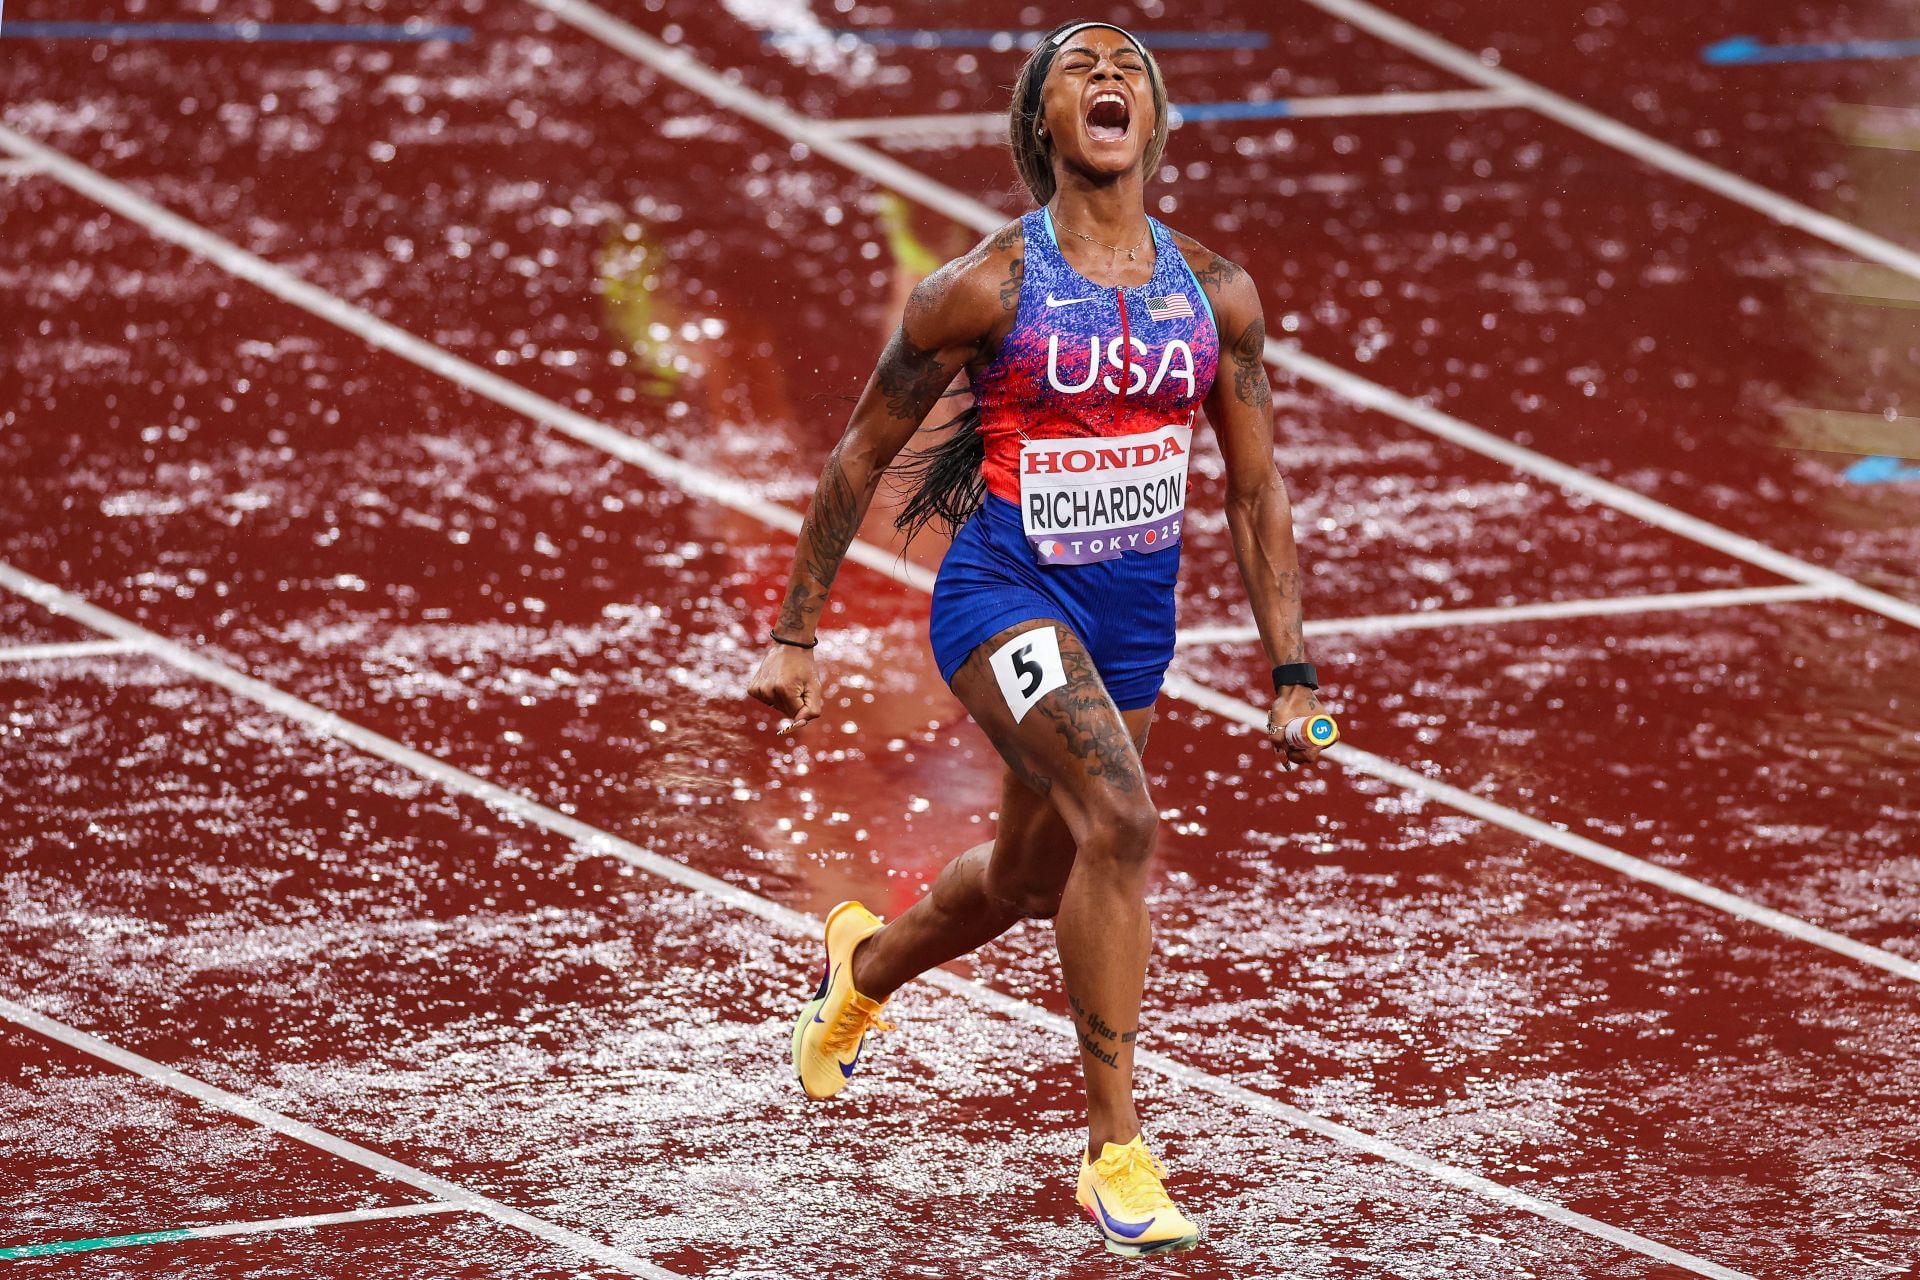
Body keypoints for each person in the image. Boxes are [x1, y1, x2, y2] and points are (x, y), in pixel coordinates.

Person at [747, 20, 1329, 1257]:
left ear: (1157, 125)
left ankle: (858, 973)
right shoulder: (985, 288)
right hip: (1002, 596)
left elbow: (1254, 489)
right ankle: (1114, 1146)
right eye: (1080, 68)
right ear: (1044, 128)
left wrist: (1291, 670)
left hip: (1131, 622)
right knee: (1119, 818)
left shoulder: (1214, 293)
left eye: (1130, 68)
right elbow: (861, 453)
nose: (1109, 77)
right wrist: (795, 632)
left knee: (1030, 878)